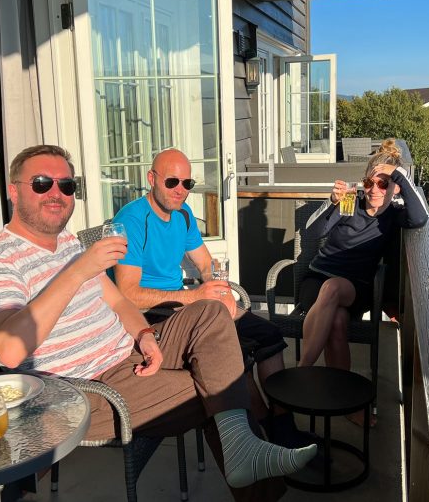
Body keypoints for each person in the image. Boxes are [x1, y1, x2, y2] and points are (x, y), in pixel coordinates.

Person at [0, 145, 315, 499]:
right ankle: (258, 474)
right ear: (13, 190)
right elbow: (9, 351)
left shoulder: (67, 243)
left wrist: (145, 334)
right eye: (42, 183)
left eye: (66, 186)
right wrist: (78, 271)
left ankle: (250, 448)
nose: (57, 194)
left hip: (129, 351)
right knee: (220, 384)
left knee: (211, 313)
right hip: (85, 387)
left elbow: (117, 300)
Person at [111, 148, 312, 448]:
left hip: (185, 304)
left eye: (187, 184)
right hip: (153, 317)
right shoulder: (132, 220)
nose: (180, 191)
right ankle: (263, 436)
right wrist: (193, 297)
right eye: (172, 182)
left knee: (269, 336)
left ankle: (282, 427)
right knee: (236, 356)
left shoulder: (183, 215)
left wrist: (219, 288)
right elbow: (128, 294)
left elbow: (206, 264)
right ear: (151, 179)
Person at [297, 139, 429, 422]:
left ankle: (301, 372)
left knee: (333, 290)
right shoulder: (349, 202)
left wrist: (400, 177)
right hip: (317, 277)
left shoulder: (393, 216)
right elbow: (313, 231)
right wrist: (332, 202)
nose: (374, 190)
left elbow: (420, 219)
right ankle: (345, 403)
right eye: (370, 183)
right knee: (336, 322)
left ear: (394, 187)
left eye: (384, 184)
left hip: (355, 287)